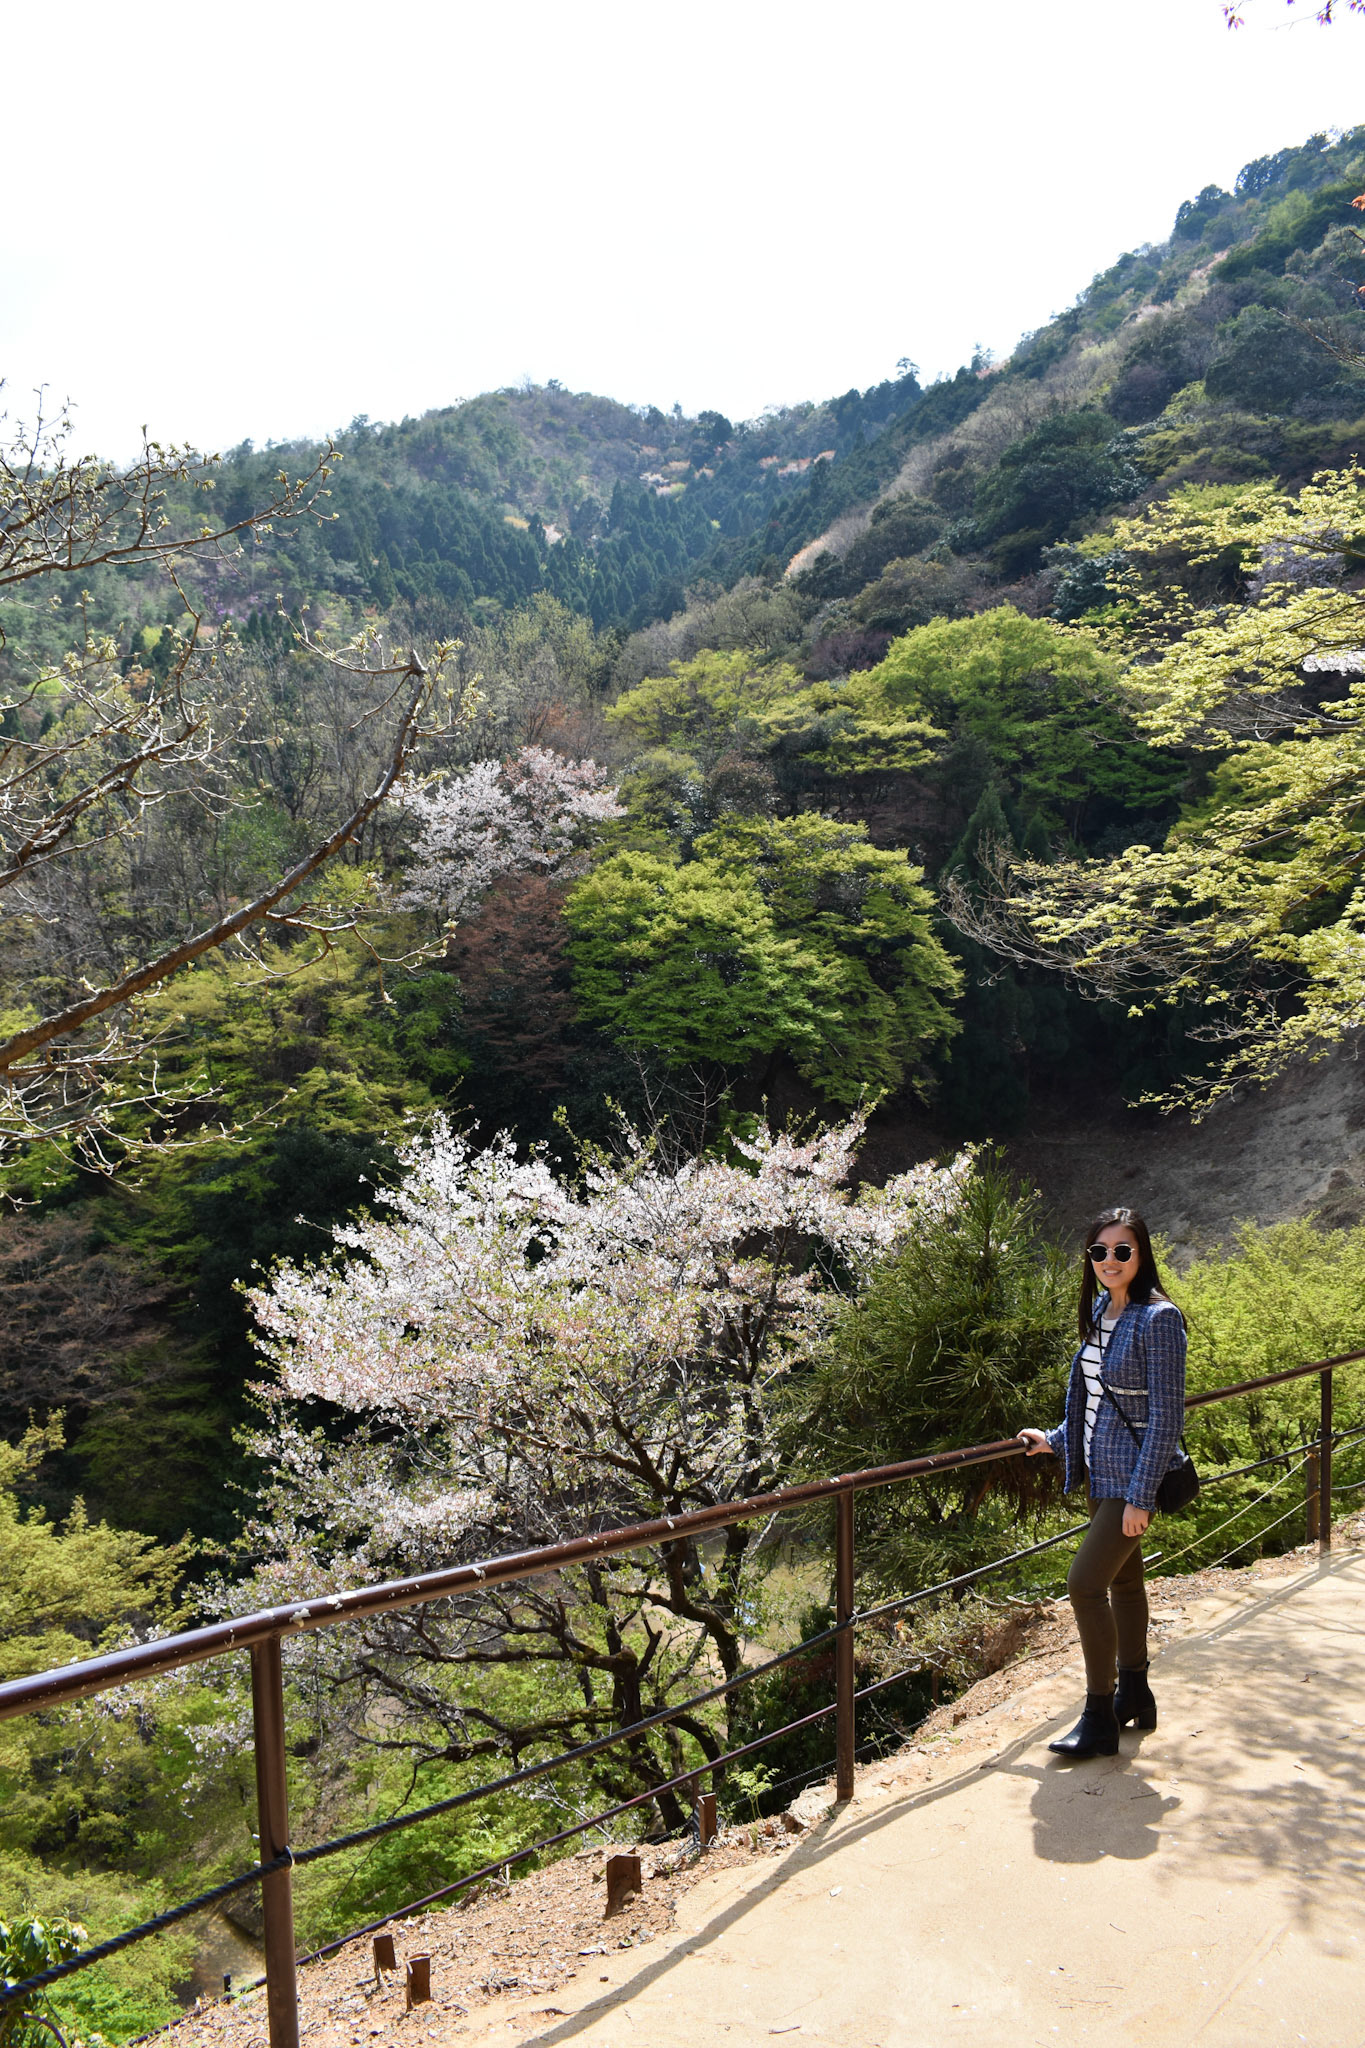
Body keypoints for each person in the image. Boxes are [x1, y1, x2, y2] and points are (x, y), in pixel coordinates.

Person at [1017, 1207, 1187, 1760]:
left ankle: (1098, 1717)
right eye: (1099, 1251)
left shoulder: (1158, 1319)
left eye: (1122, 1251)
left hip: (1131, 1480)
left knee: (1084, 1585)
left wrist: (1140, 1497)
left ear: (1141, 1255)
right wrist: (1054, 1439)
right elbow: (1095, 1399)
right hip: (1099, 1470)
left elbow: (1165, 1417)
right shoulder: (1100, 1309)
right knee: (1125, 1585)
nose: (1109, 1260)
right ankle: (1135, 1693)